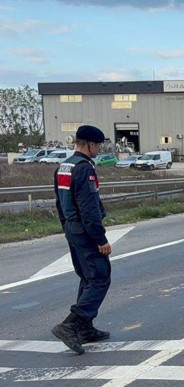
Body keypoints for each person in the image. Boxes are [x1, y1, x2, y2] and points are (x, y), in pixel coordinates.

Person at [51, 125, 113, 354]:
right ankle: (71, 324)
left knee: (87, 277)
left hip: (72, 229)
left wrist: (67, 227)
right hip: (86, 232)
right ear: (89, 144)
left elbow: (59, 203)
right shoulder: (84, 169)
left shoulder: (64, 167)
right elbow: (89, 209)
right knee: (99, 277)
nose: (99, 149)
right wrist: (100, 239)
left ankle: (86, 328)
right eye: (98, 145)